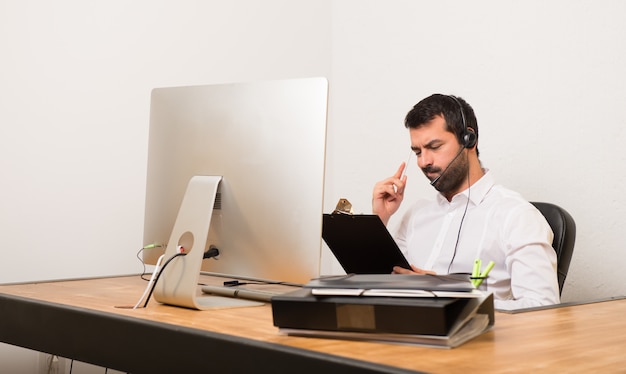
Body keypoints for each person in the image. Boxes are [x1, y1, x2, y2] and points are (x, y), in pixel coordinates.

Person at [372, 94, 560, 310]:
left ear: (468, 139)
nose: (424, 162)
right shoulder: (416, 215)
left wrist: (452, 296)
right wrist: (379, 220)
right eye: (417, 152)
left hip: (479, 341)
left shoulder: (516, 216)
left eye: (434, 147)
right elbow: (377, 291)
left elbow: (543, 308)